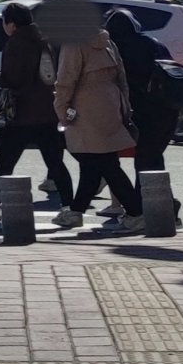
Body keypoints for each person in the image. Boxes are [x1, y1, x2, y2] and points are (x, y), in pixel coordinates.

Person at [0, 2, 76, 212]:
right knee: (55, 162)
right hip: (47, 109)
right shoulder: (44, 41)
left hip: (22, 111)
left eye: (4, 22)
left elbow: (14, 78)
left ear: (12, 23)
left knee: (6, 161)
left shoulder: (17, 43)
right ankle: (70, 207)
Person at [55, 14, 141, 230]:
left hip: (84, 105)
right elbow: (121, 76)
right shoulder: (106, 41)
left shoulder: (73, 43)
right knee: (95, 160)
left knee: (102, 162)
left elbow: (66, 79)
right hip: (110, 102)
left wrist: (61, 108)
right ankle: (76, 211)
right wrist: (124, 105)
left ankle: (136, 212)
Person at [104, 8, 175, 182]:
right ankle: (154, 195)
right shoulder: (154, 44)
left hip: (138, 109)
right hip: (166, 108)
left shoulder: (114, 48)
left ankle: (138, 197)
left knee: (133, 160)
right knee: (152, 159)